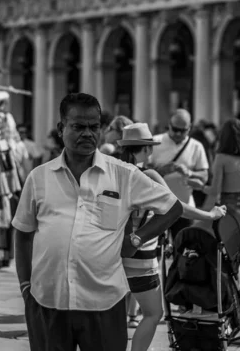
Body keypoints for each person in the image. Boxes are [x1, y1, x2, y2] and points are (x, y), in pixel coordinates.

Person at [13, 93, 184, 351]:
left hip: (104, 303)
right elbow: (23, 233)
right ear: (61, 129)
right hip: (47, 302)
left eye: (94, 127)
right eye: (78, 127)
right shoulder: (39, 178)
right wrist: (26, 287)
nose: (87, 134)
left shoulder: (123, 174)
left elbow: (173, 207)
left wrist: (136, 239)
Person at [117, 123, 227, 350]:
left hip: (111, 254)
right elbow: (177, 207)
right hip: (141, 256)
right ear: (147, 149)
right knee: (152, 313)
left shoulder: (112, 173)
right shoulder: (148, 175)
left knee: (115, 315)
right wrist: (210, 214)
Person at [189, 118, 240, 341]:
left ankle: (237, 311)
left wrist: (197, 185)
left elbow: (216, 192)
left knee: (230, 266)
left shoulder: (221, 157)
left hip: (230, 215)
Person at [149, 109, 209, 241]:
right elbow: (142, 172)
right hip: (157, 207)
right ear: (169, 125)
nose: (177, 133)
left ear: (189, 128)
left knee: (183, 251)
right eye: (174, 129)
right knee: (155, 251)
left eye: (182, 131)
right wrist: (161, 171)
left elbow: (205, 176)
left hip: (185, 207)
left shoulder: (196, 146)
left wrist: (190, 172)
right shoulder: (154, 142)